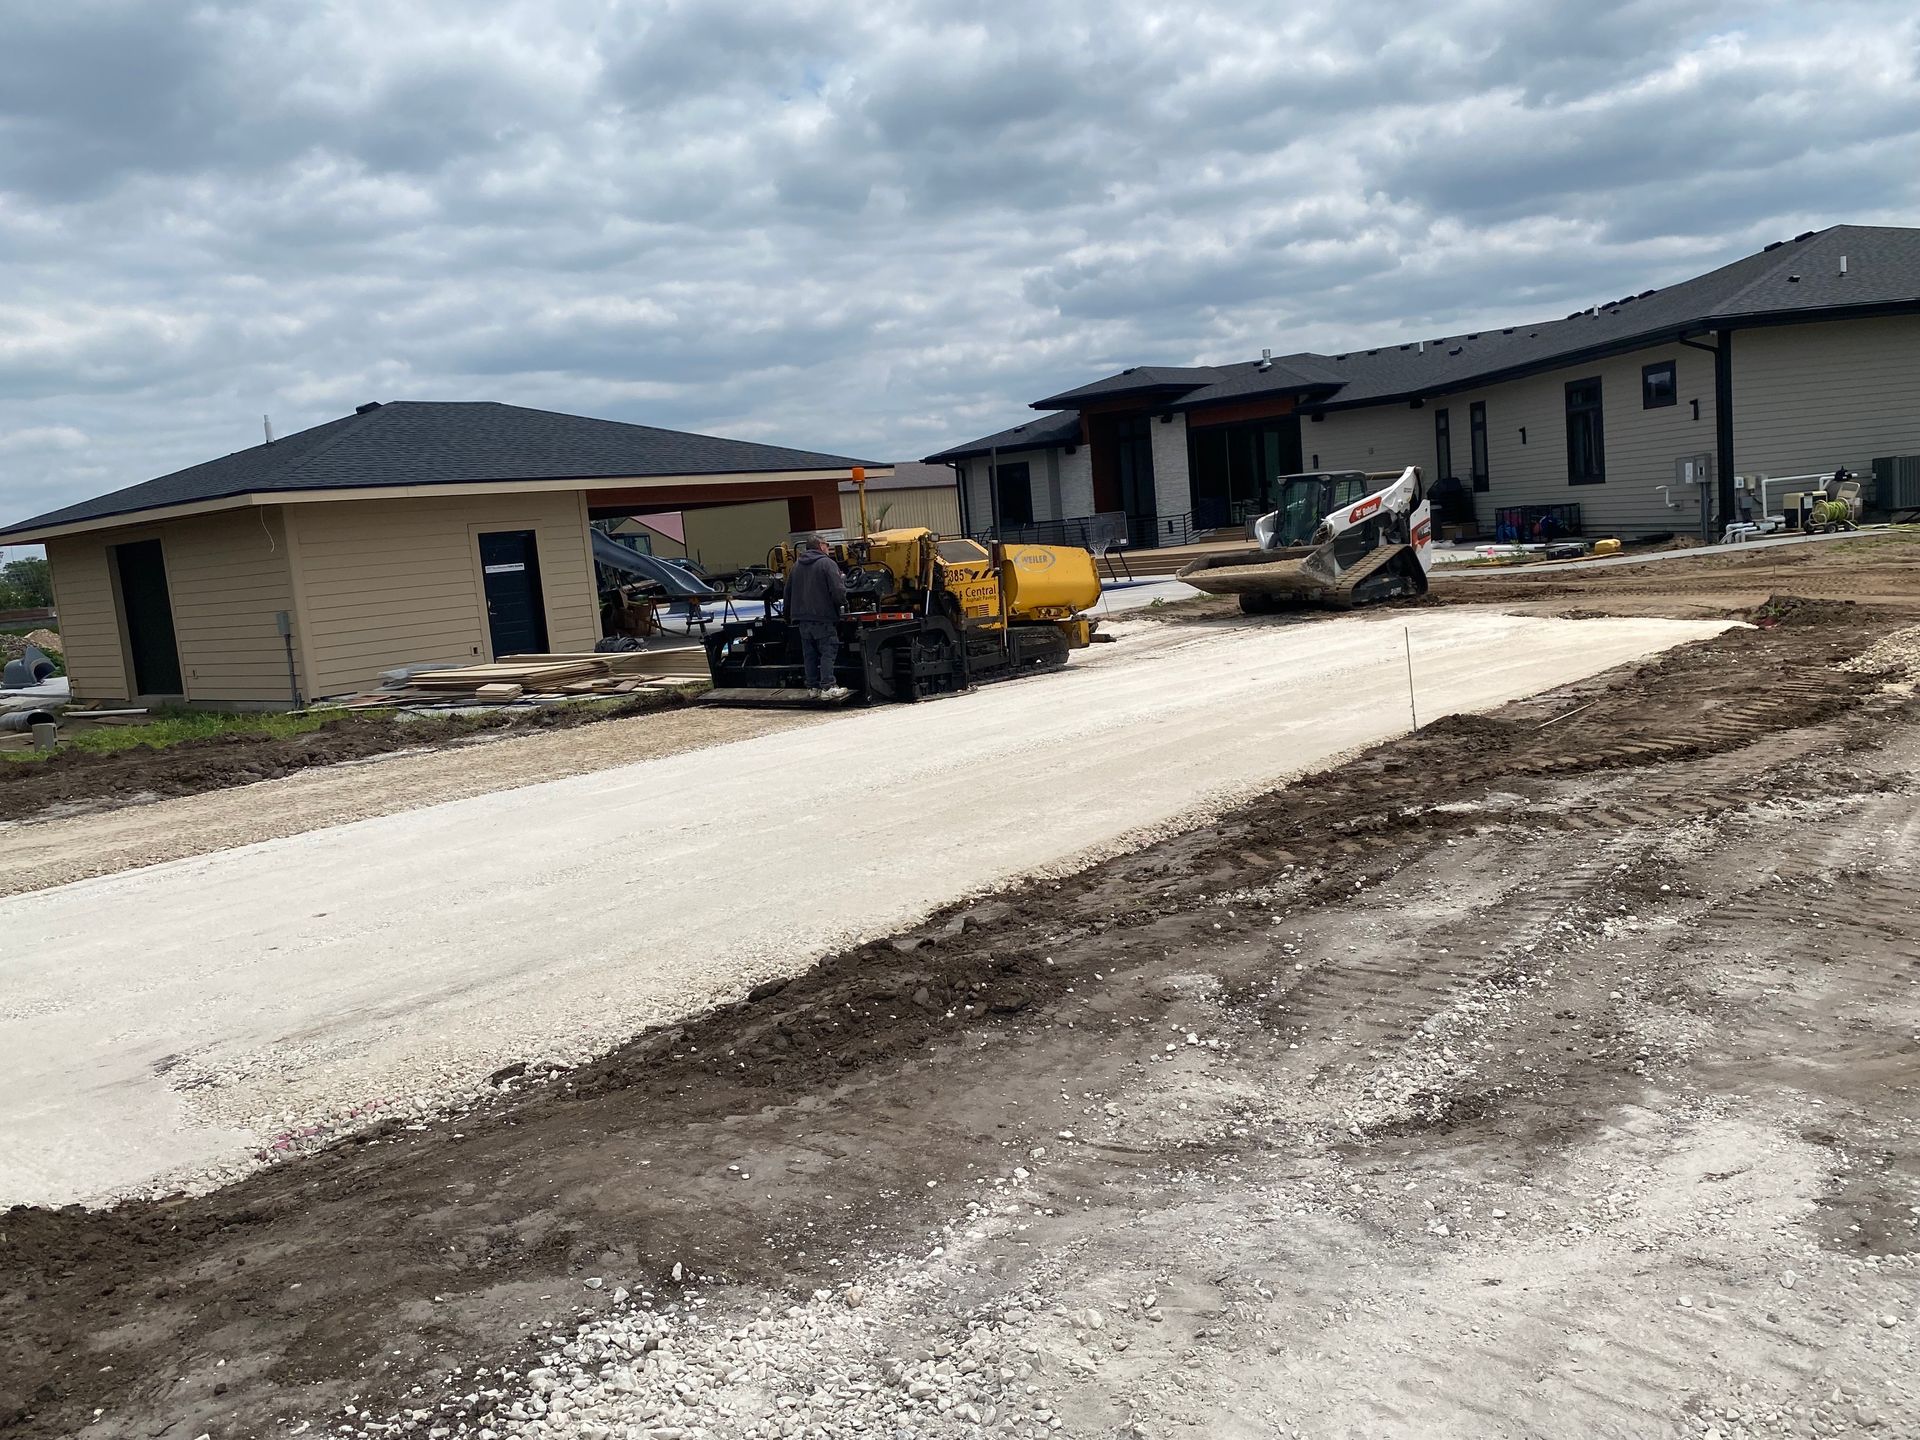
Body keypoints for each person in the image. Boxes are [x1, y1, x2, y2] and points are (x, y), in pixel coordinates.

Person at [783, 533, 848, 697]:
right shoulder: (827, 564)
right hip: (823, 617)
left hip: (802, 619)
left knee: (810, 654)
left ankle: (813, 688)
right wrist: (843, 605)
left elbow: (787, 593)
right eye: (827, 544)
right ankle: (828, 686)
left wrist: (788, 616)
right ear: (820, 546)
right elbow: (838, 590)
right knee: (828, 651)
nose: (828, 547)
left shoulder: (796, 566)